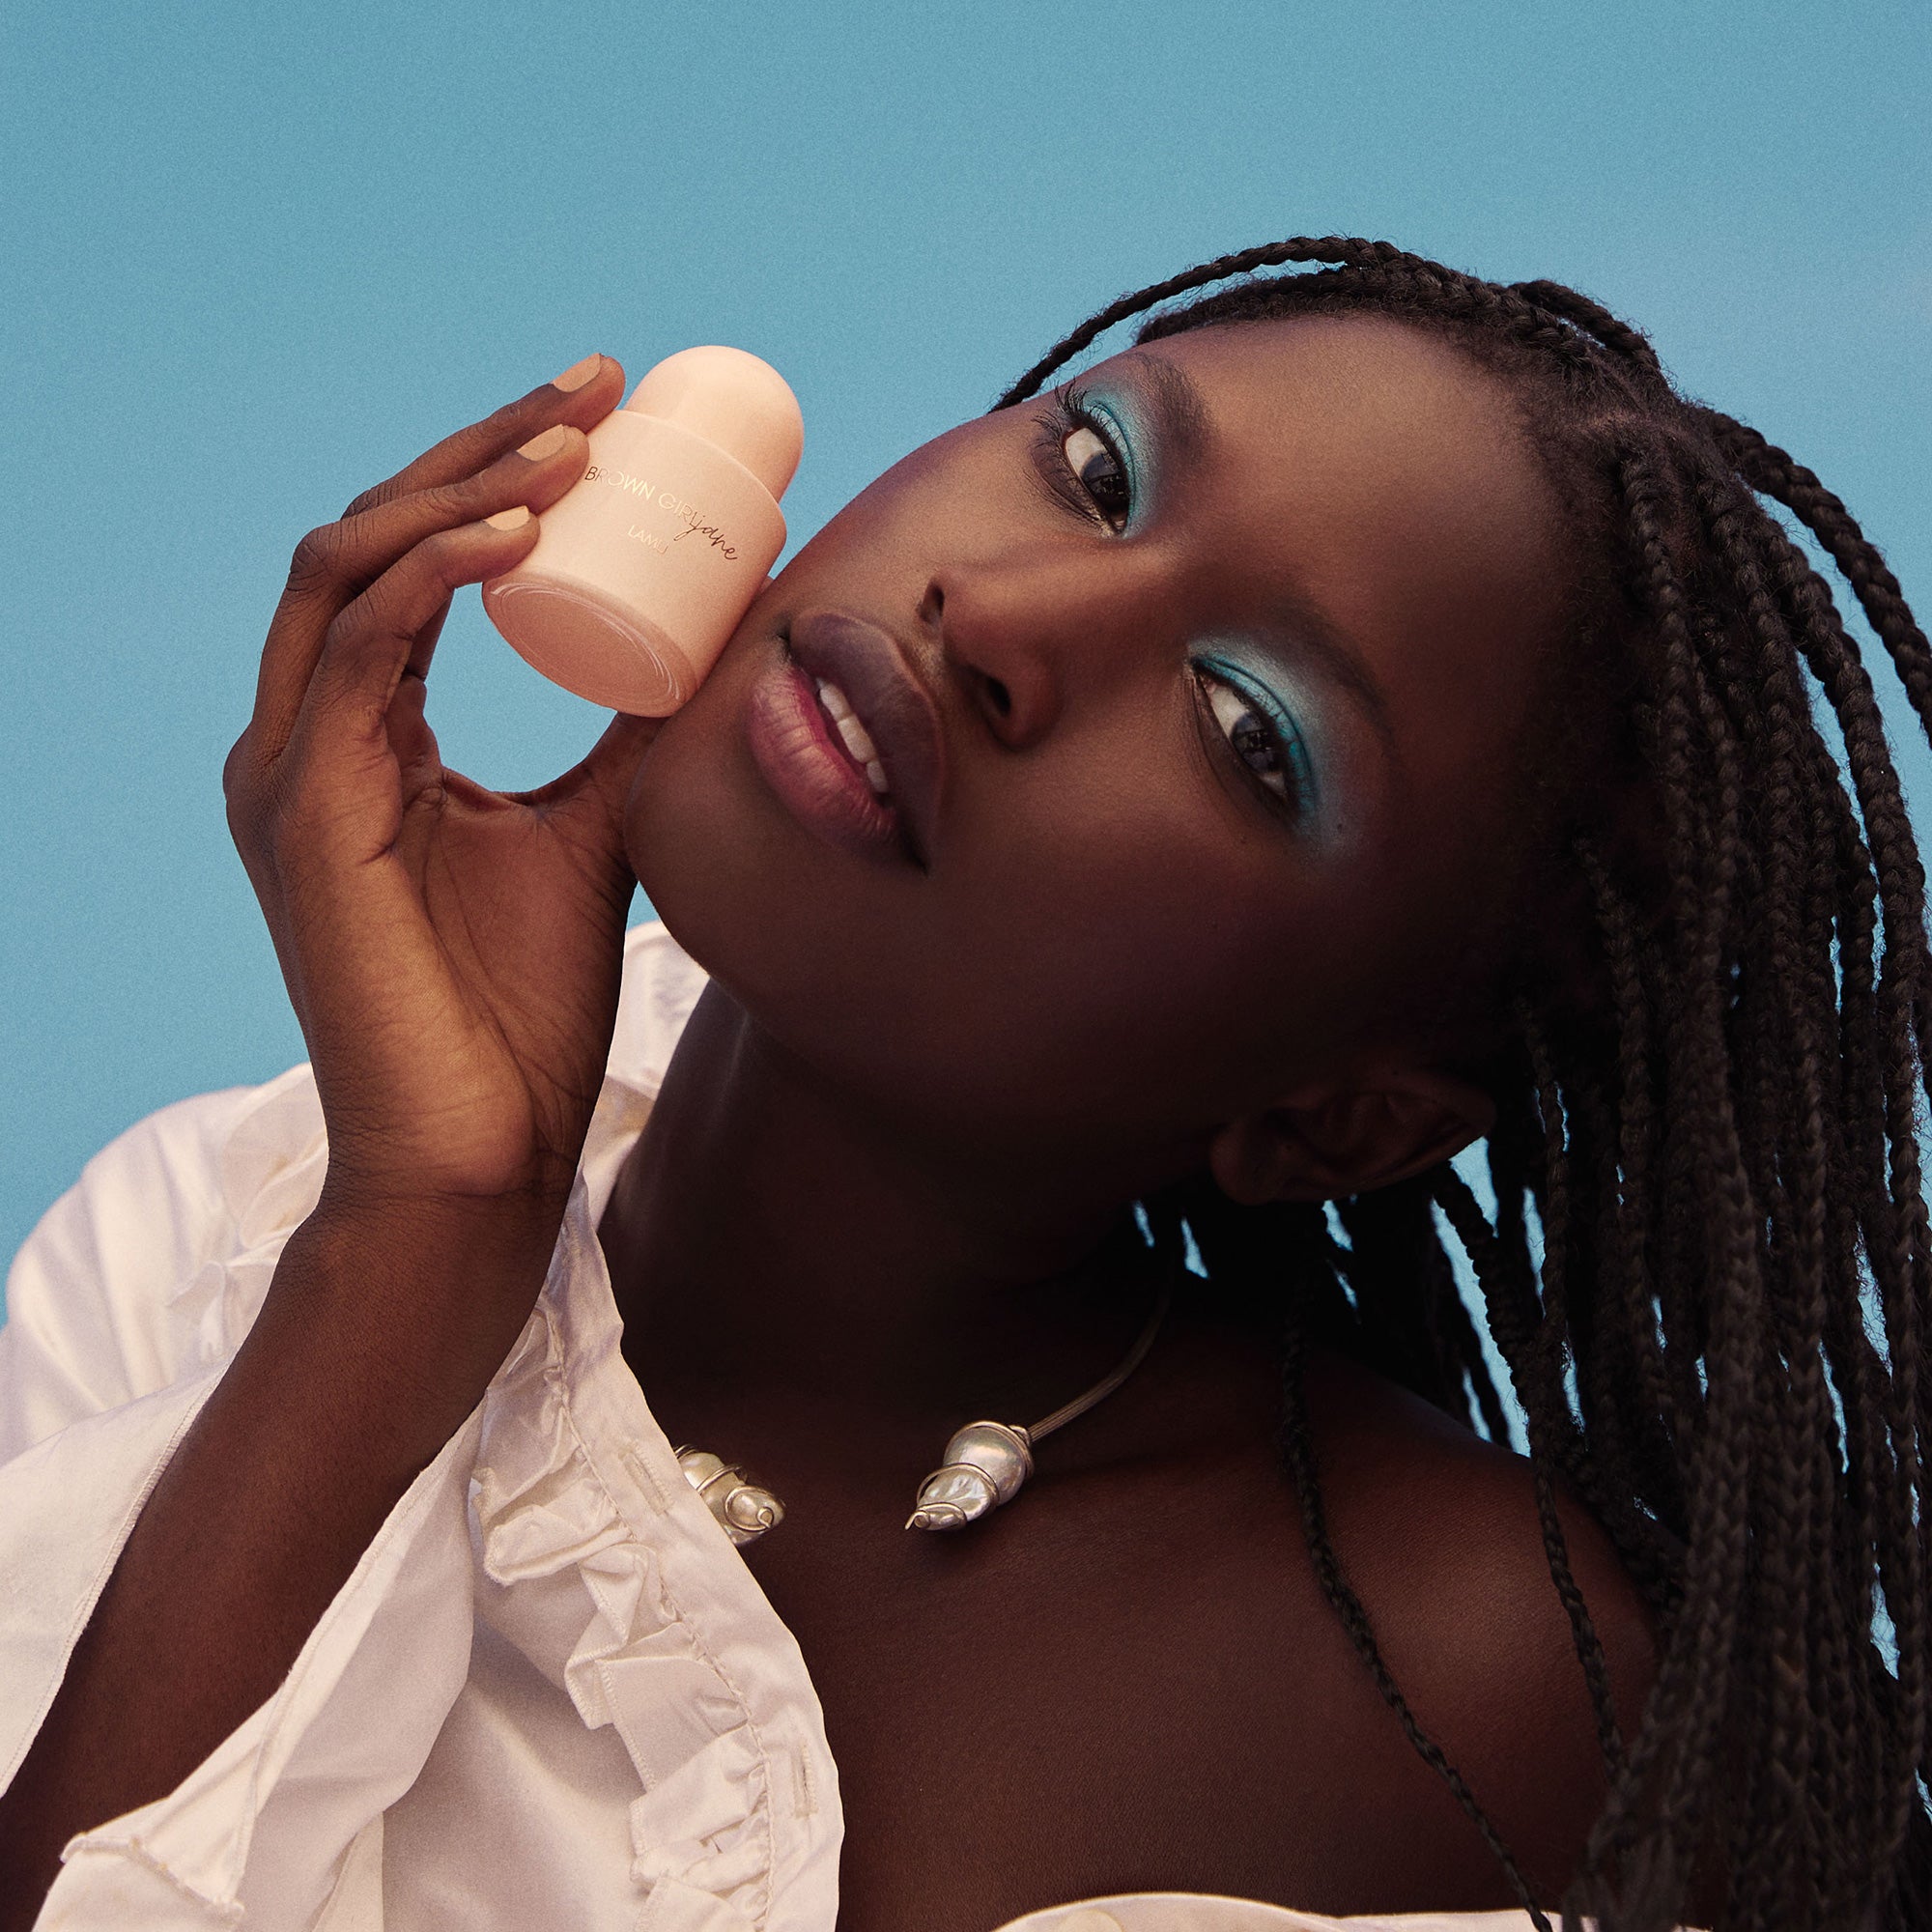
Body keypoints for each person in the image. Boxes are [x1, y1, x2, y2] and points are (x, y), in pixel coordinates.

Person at [0, 236, 1924, 1932]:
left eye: (1245, 726)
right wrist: (422, 1232)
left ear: (1336, 1116)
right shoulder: (210, 1239)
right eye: (1096, 472)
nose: (1001, 619)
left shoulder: (1475, 1680)